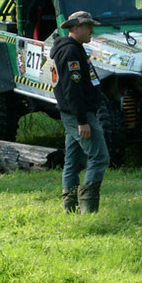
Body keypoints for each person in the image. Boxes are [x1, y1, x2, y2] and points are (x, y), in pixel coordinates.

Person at [50, 11, 110, 214]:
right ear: (74, 28)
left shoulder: (75, 49)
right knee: (99, 156)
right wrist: (82, 120)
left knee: (73, 160)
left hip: (75, 114)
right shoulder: (70, 52)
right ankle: (88, 208)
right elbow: (72, 90)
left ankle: (70, 208)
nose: (92, 30)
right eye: (88, 26)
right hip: (79, 115)